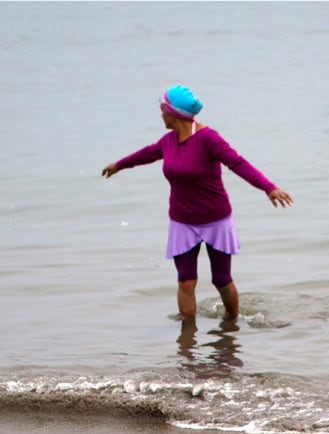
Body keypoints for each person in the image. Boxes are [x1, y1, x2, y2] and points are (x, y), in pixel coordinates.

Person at [101, 85, 292, 321]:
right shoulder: (168, 141)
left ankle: (233, 325)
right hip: (182, 222)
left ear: (173, 113)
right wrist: (118, 165)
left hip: (216, 220)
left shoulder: (208, 138)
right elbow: (147, 153)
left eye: (162, 110)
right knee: (185, 281)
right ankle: (187, 344)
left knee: (221, 280)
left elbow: (238, 163)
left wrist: (269, 187)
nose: (160, 115)